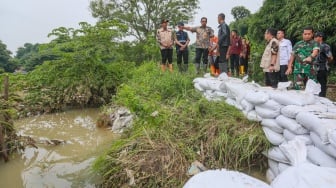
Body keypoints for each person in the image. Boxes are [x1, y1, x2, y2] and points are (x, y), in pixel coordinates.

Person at [314, 32, 334, 97]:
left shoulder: (325, 46)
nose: (314, 38)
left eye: (316, 37)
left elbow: (330, 57)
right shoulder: (315, 46)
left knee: (322, 82)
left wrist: (326, 63)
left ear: (320, 37)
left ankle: (322, 96)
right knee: (315, 82)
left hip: (322, 67)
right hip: (314, 68)